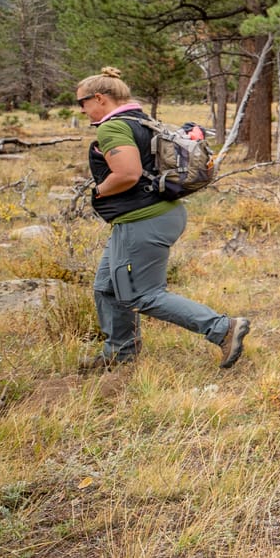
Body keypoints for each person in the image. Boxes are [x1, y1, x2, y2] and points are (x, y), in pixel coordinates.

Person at [75, 67, 249, 373]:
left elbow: (127, 174)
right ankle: (120, 353)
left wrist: (97, 191)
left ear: (99, 98)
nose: (82, 109)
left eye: (82, 102)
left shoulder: (112, 128)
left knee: (143, 294)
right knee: (107, 287)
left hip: (143, 221)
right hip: (157, 215)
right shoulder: (142, 120)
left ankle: (222, 328)